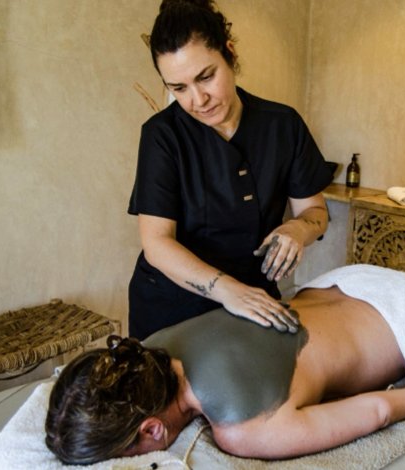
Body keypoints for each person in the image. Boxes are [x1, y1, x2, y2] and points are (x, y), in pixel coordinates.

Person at [45, 260, 405, 464]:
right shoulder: (156, 341)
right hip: (351, 281)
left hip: (404, 323)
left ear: (154, 431)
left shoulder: (242, 432)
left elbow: (377, 412)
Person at [127, 0, 337, 339]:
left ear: (230, 54)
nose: (197, 99)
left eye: (206, 77)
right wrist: (228, 291)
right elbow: (157, 243)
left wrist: (298, 230)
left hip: (254, 299)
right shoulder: (161, 136)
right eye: (178, 88)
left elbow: (315, 211)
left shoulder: (282, 125)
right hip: (172, 308)